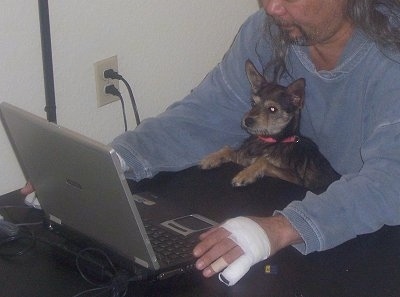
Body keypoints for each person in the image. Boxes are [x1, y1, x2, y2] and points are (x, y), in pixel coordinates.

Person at [22, 0, 400, 286]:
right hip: (315, 214)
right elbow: (206, 113)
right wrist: (110, 163)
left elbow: (390, 180)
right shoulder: (270, 32)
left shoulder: (391, 53)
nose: (271, 7)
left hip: (375, 235)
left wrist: (284, 228)